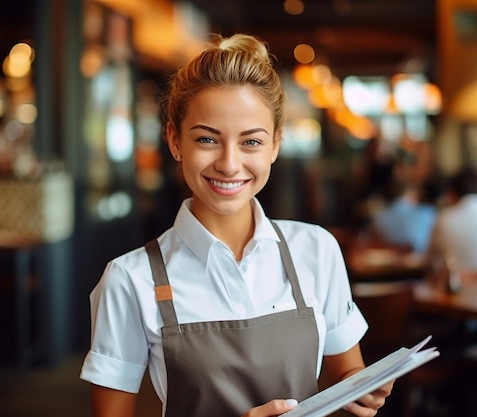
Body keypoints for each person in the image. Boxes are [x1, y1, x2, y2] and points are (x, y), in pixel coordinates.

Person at [79, 33, 394, 417]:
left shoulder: (316, 249)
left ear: (276, 144)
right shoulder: (130, 279)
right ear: (175, 140)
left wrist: (361, 389)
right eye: (208, 139)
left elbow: (347, 370)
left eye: (251, 142)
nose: (229, 164)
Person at [370, 179, 438, 253]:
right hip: (419, 261)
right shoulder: (428, 214)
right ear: (412, 193)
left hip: (388, 259)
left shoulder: (380, 216)